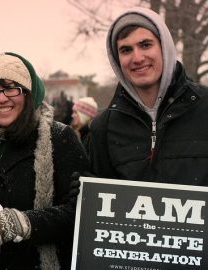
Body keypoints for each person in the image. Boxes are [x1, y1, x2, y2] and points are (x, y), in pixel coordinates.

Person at [0, 52, 90, 269]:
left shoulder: (60, 138)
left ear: (27, 94)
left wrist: (27, 224)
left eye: (11, 88)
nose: (1, 98)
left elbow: (81, 211)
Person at [89, 7, 208, 183]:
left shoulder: (204, 108)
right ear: (117, 59)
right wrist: (85, 192)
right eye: (126, 50)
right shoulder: (103, 128)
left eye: (145, 45)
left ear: (164, 47)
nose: (137, 58)